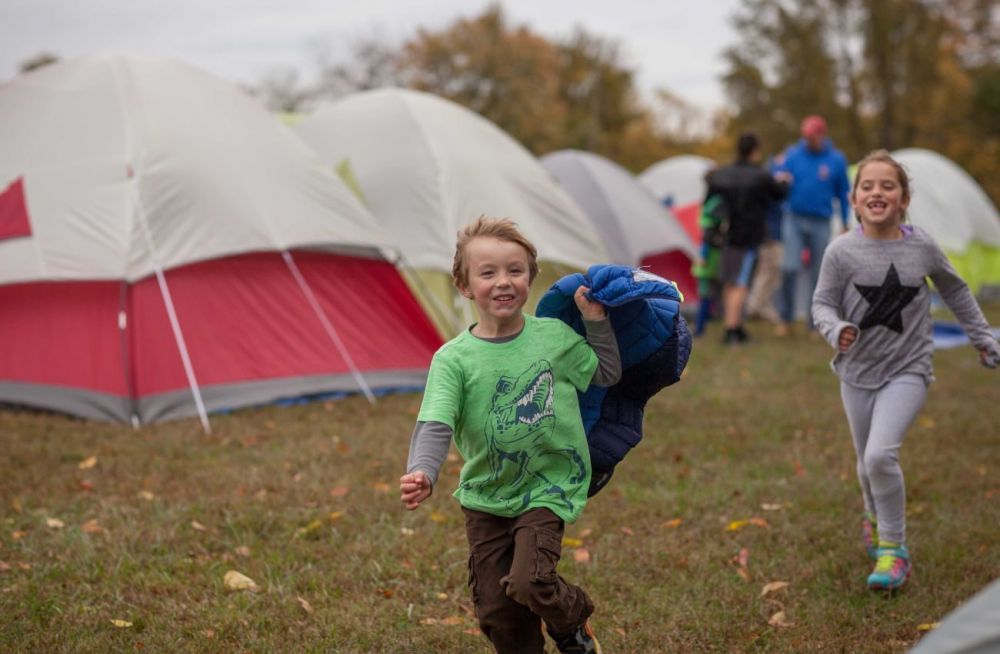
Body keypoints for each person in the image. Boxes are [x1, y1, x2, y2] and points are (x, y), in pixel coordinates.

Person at [400, 215, 621, 653]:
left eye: (514, 270)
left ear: (530, 278)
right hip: (486, 494)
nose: (503, 282)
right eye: (488, 272)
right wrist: (423, 470)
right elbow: (436, 421)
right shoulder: (454, 360)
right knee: (499, 614)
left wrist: (596, 321)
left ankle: (571, 622)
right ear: (465, 286)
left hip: (548, 484)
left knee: (529, 582)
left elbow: (607, 374)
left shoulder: (553, 338)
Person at [812, 150, 999, 591]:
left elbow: (955, 290)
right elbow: (821, 302)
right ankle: (875, 516)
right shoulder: (840, 250)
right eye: (867, 186)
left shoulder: (922, 246)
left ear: (904, 198)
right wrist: (834, 327)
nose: (877, 192)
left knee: (880, 455)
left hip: (909, 367)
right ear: (854, 199)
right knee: (864, 465)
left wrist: (982, 336)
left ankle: (894, 550)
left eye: (888, 186)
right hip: (856, 370)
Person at [704, 132, 789, 344]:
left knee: (730, 281)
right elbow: (779, 193)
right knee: (740, 283)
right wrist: (785, 180)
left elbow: (709, 195)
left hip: (725, 235)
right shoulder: (759, 175)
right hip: (748, 236)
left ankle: (733, 325)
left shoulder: (722, 174)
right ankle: (732, 330)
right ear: (755, 150)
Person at [778, 115, 851, 332]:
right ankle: (786, 318)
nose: (808, 141)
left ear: (822, 134)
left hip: (822, 220)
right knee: (789, 266)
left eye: (812, 136)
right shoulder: (793, 154)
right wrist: (779, 180)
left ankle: (814, 321)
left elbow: (843, 192)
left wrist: (845, 222)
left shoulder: (836, 159)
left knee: (818, 272)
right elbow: (779, 179)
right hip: (793, 217)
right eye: (805, 137)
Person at [745, 154, 788, 328]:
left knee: (771, 273)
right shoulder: (767, 182)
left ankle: (761, 307)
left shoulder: (766, 178)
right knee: (769, 270)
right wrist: (782, 183)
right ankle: (753, 306)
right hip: (769, 233)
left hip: (772, 232)